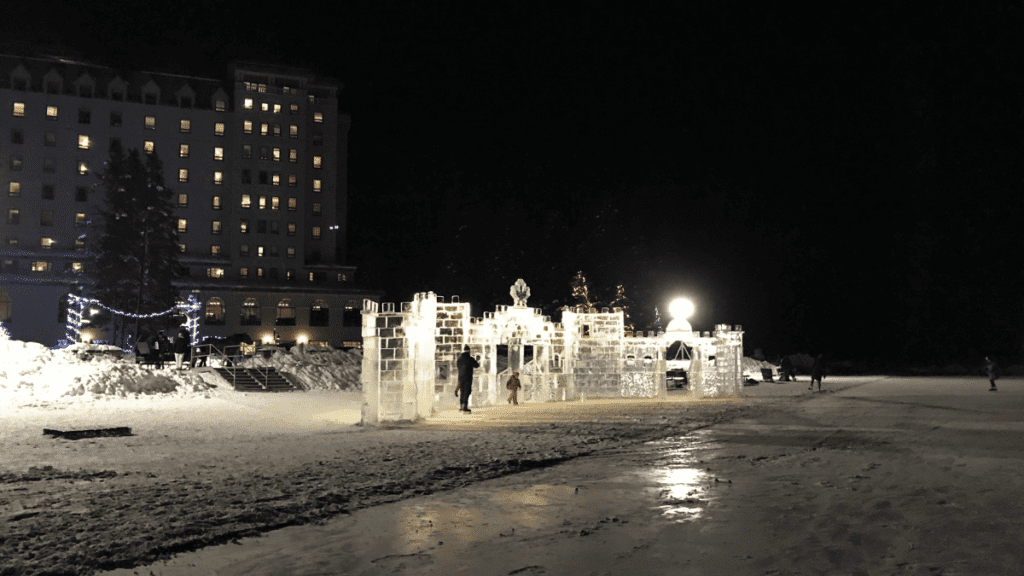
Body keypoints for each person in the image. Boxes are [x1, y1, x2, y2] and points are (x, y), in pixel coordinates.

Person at [456, 345, 479, 413]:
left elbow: (458, 367)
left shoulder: (459, 359)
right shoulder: (470, 359)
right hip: (468, 377)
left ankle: (461, 406)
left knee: (462, 391)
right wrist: (477, 360)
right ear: (469, 351)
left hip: (460, 377)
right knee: (467, 391)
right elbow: (476, 365)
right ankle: (464, 406)